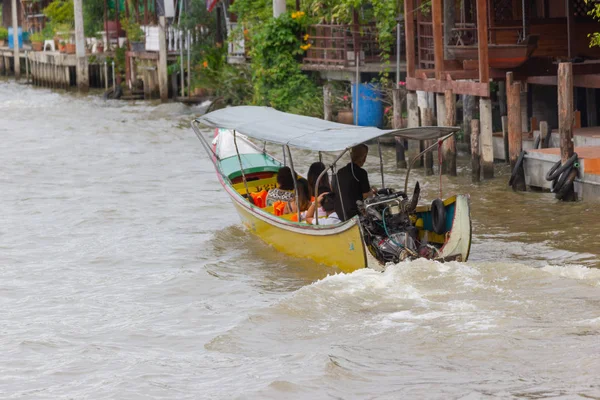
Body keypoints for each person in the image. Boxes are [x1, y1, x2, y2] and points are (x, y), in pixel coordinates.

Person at [331, 144, 375, 221]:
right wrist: (373, 191)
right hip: (353, 213)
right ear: (364, 158)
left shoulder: (340, 172)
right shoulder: (361, 173)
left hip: (339, 212)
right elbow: (365, 195)